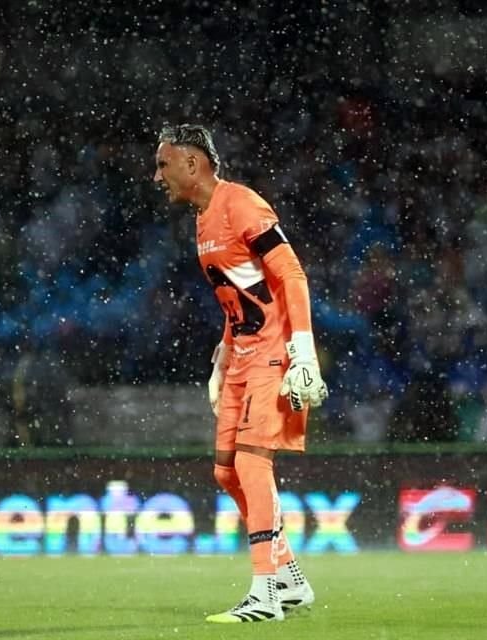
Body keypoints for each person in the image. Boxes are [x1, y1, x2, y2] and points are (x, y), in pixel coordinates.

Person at [154, 124, 328, 623]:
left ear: (192, 164)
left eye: (163, 163)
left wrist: (303, 350)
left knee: (253, 465)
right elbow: (242, 296)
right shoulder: (204, 219)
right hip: (242, 356)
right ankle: (291, 580)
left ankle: (265, 594)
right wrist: (222, 355)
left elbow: (290, 274)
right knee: (226, 472)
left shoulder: (242, 204)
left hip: (274, 352)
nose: (156, 175)